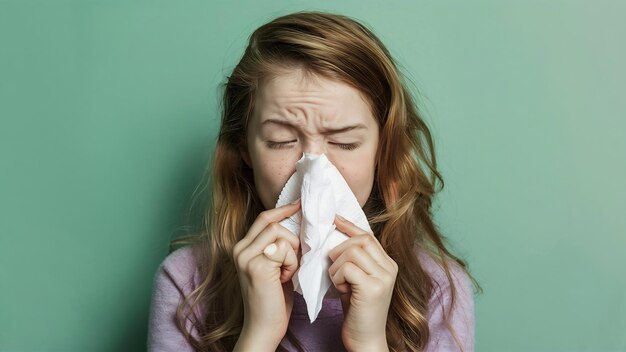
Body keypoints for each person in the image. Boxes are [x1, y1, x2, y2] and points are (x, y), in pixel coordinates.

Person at [147, 10, 481, 352]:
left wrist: (368, 343)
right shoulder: (188, 284)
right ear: (244, 148)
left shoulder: (437, 290)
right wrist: (258, 335)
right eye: (280, 140)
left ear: (383, 150)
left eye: (345, 142)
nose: (313, 172)